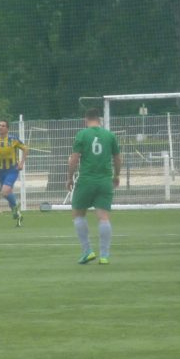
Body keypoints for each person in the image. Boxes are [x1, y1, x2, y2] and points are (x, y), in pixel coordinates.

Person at [68, 108, 122, 265]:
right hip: (105, 181)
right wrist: (116, 175)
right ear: (99, 120)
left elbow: (74, 159)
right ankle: (104, 255)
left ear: (86, 119)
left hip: (86, 180)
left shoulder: (82, 134)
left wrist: (69, 178)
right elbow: (118, 158)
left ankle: (87, 251)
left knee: (78, 214)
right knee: (103, 217)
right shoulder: (110, 135)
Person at [0, 120, 29, 227]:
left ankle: (15, 206)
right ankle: (18, 215)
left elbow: (25, 149)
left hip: (12, 170)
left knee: (5, 192)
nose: (0, 127)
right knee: (5, 193)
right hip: (1, 171)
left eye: (3, 126)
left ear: (7, 128)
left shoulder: (13, 139)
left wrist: (21, 163)